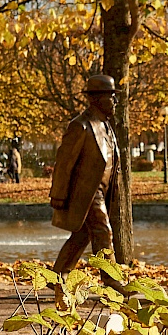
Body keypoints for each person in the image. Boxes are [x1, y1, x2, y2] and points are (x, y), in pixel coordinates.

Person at [50, 74, 122, 279]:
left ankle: (58, 275)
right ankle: (112, 280)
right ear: (95, 99)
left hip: (103, 190)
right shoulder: (81, 125)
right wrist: (58, 195)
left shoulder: (107, 126)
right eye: (110, 96)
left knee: (82, 235)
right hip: (87, 192)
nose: (115, 101)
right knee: (103, 232)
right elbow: (64, 163)